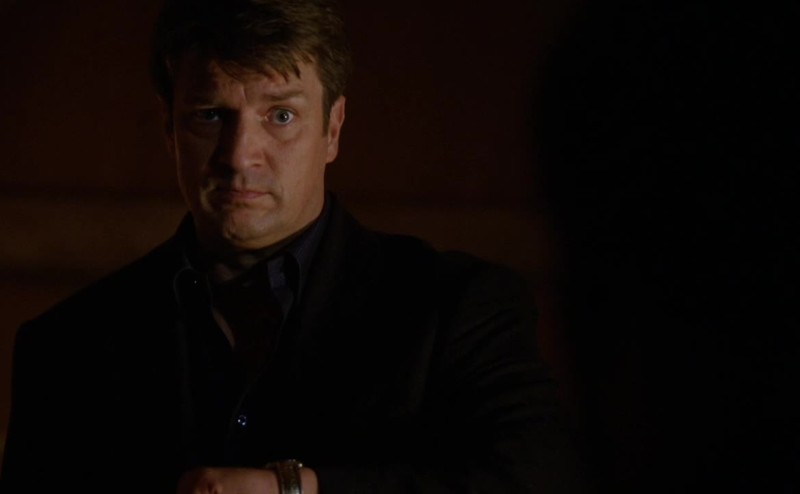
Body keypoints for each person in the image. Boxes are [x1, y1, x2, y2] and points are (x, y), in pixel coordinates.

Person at [0, 0, 586, 493]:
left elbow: (537, 480)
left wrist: (293, 489)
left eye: (280, 115)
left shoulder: (459, 307)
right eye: (210, 115)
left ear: (332, 128)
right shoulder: (65, 348)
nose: (239, 157)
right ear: (169, 129)